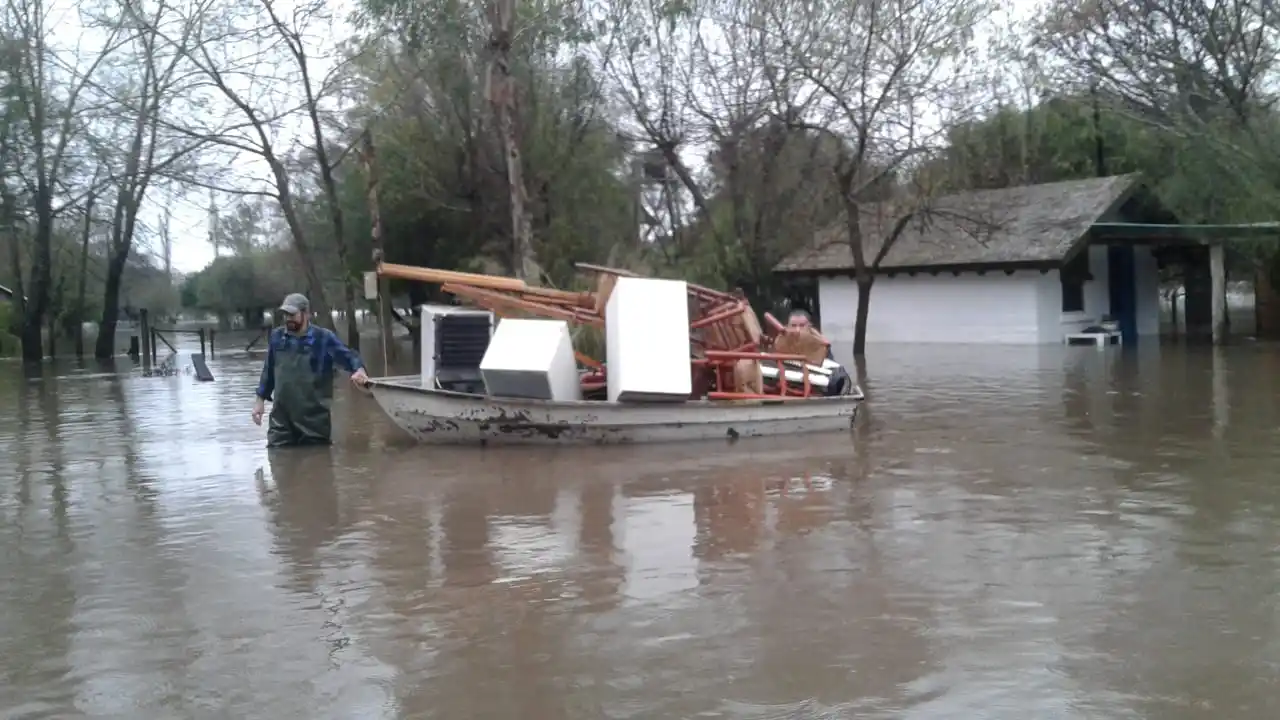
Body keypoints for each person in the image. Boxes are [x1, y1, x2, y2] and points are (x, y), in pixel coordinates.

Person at [252, 293, 370, 447]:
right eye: (285, 314)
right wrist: (260, 401)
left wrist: (359, 370)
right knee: (279, 462)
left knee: (317, 462)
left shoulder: (323, 338)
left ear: (306, 314)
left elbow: (349, 358)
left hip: (314, 422)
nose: (288, 319)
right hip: (281, 422)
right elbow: (268, 372)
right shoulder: (277, 338)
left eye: (292, 314)